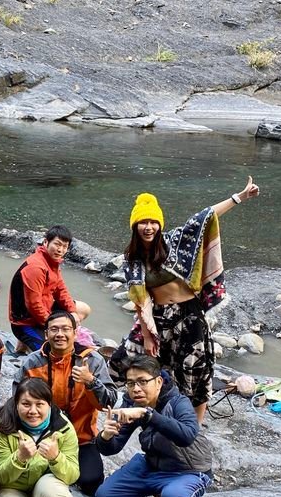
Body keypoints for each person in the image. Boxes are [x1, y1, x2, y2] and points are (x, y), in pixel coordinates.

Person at [110, 177, 261, 423]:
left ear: (159, 224)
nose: (148, 227)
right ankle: (153, 414)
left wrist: (239, 197)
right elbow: (139, 300)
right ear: (134, 226)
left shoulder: (174, 241)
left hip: (189, 315)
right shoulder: (133, 259)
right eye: (143, 222)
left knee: (194, 371)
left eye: (153, 222)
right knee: (125, 360)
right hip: (157, 317)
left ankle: (194, 428)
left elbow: (206, 216)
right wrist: (147, 335)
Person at [95, 355, 213, 497]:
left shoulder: (178, 402)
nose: (136, 388)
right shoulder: (133, 403)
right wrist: (105, 436)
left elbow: (187, 435)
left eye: (142, 381)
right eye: (130, 383)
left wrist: (147, 415)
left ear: (158, 382)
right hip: (152, 465)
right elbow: (112, 449)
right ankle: (159, 494)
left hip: (189, 470)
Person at [15, 311, 119, 496]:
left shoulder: (92, 360)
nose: (60, 334)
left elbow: (109, 401)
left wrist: (91, 381)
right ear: (46, 334)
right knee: (30, 478)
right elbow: (16, 400)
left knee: (91, 483)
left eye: (65, 329)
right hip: (41, 436)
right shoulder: (33, 361)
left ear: (75, 332)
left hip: (82, 439)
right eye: (54, 329)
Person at [8, 226, 91, 353]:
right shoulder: (36, 267)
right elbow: (33, 305)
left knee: (82, 309)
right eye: (57, 244)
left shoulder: (53, 262)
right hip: (25, 322)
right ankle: (23, 343)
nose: (60, 250)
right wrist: (55, 327)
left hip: (45, 310)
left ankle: (23, 345)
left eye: (64, 246)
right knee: (54, 350)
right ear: (46, 242)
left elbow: (61, 291)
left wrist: (72, 312)